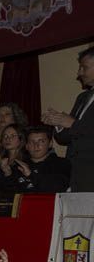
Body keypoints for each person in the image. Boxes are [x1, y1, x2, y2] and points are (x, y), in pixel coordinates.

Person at [43, 45, 94, 191]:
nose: (79, 73)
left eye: (84, 67)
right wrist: (58, 122)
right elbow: (64, 139)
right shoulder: (82, 97)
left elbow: (76, 126)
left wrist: (72, 123)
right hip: (77, 176)